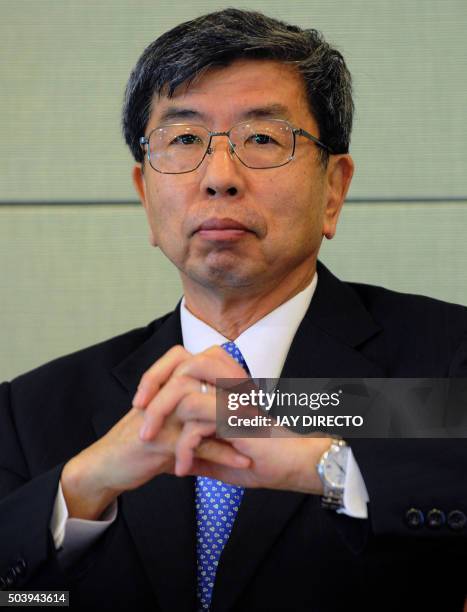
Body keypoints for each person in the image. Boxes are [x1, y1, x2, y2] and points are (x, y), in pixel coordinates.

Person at [1, 8, 466, 612]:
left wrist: (322, 466)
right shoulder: (33, 411)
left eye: (263, 140)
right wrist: (81, 490)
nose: (220, 176)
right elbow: (26, 602)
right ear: (146, 195)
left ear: (334, 190)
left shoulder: (443, 360)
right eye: (186, 139)